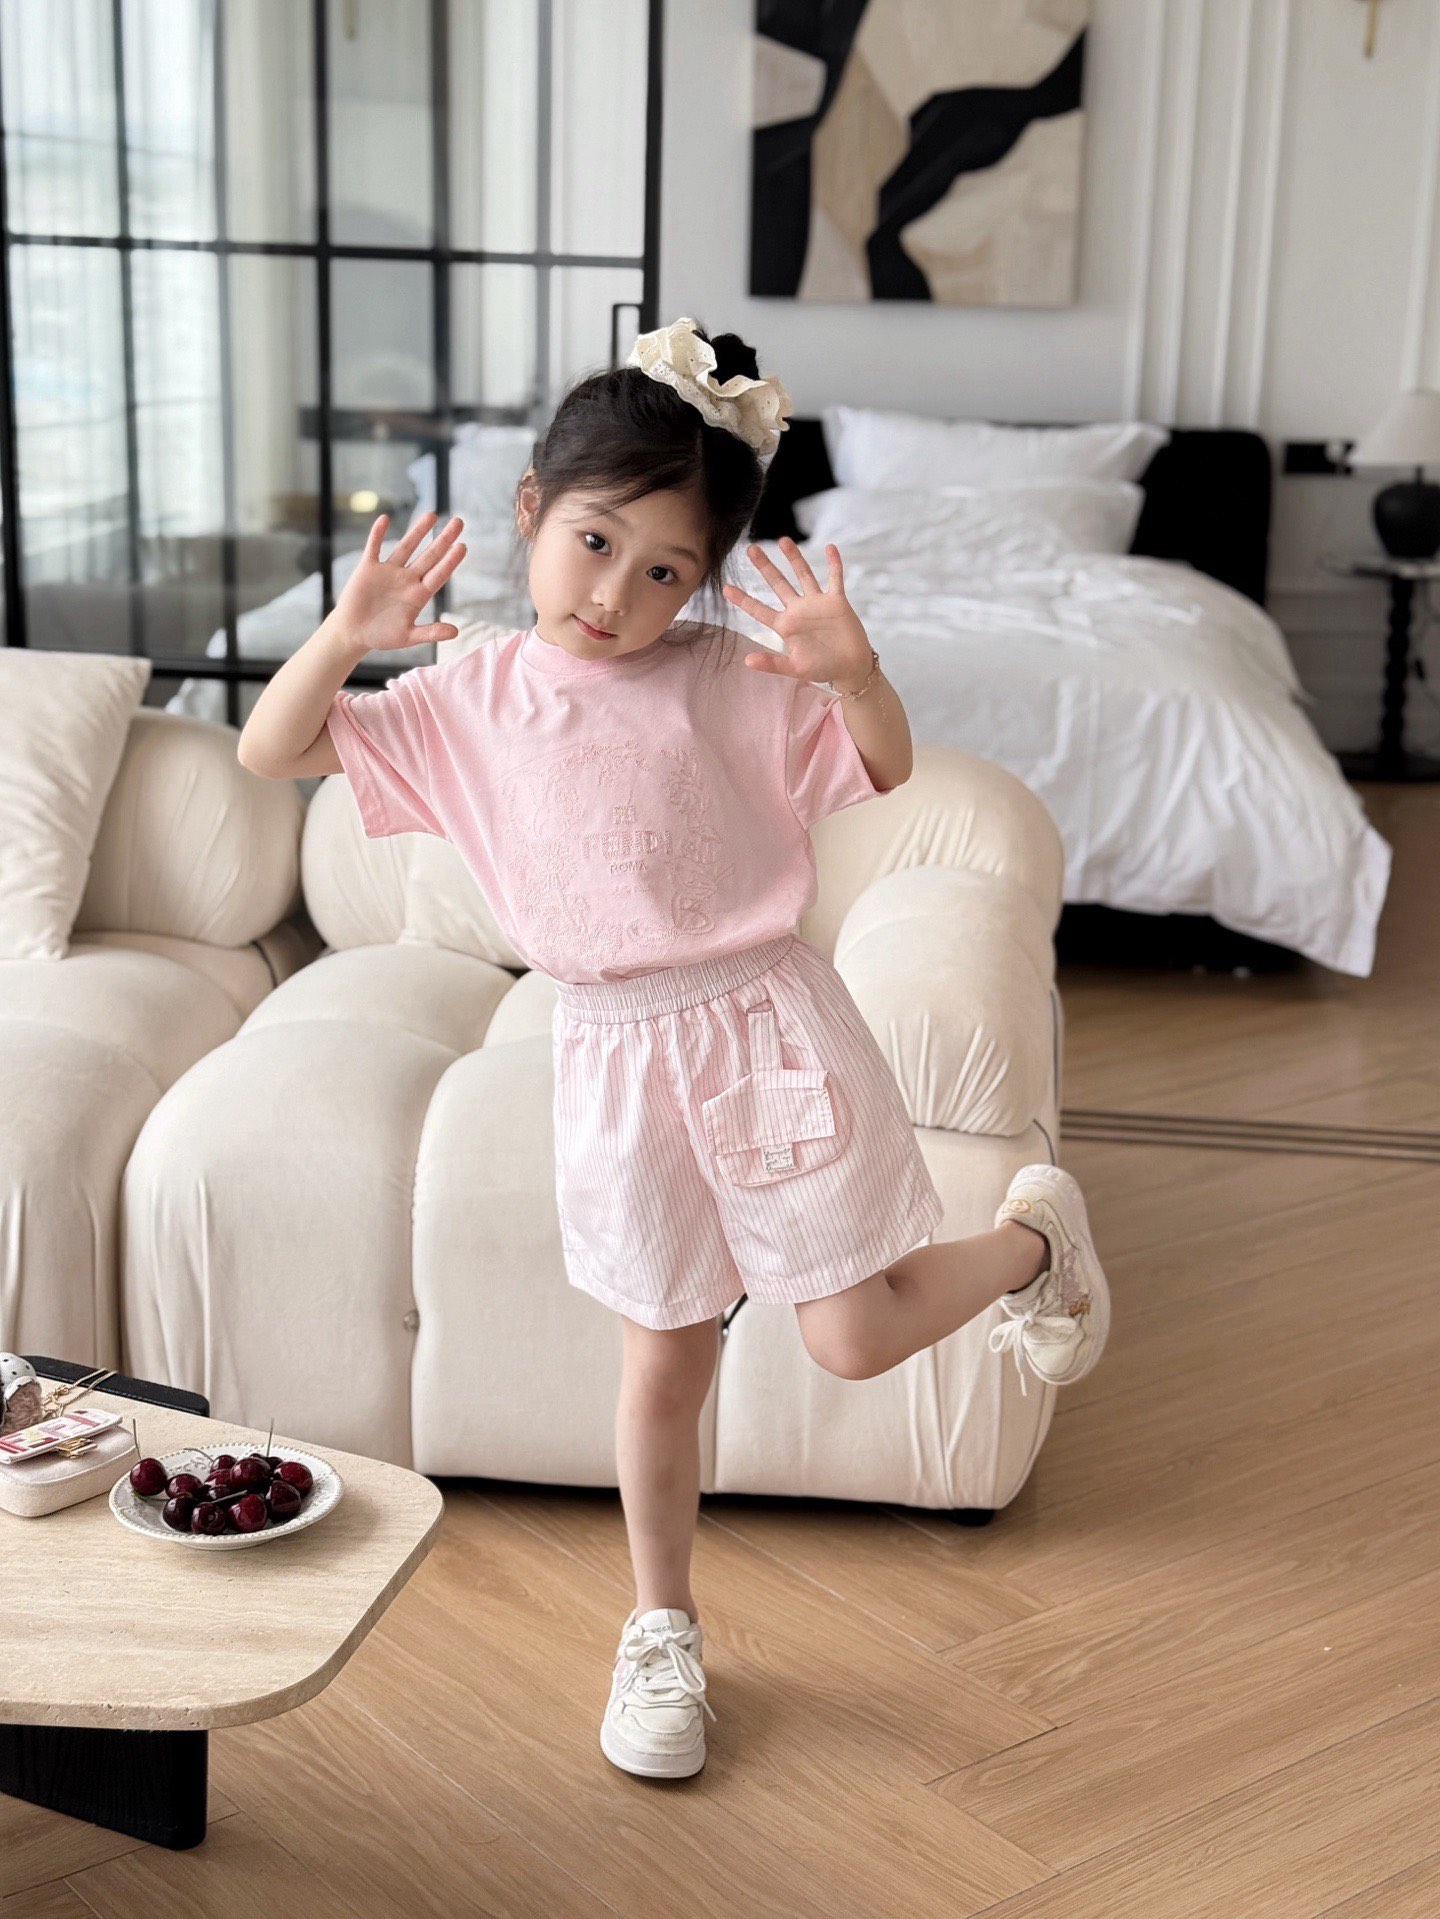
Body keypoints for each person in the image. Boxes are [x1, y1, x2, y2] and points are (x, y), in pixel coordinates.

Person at [237, 315, 1111, 1783]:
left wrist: (855, 673)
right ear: (532, 510)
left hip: (765, 1025)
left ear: (703, 579)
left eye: (664, 572)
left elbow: (885, 763)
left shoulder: (728, 675)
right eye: (593, 544)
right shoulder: (467, 700)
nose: (616, 595)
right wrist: (344, 632)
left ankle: (1036, 1244)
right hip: (613, 1060)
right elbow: (273, 750)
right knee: (660, 1366)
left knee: (848, 1339)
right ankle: (661, 1630)